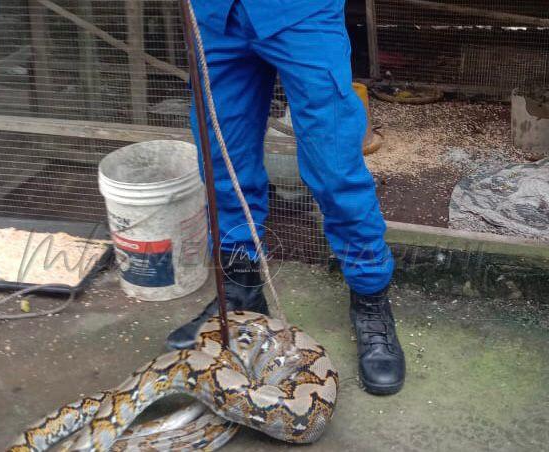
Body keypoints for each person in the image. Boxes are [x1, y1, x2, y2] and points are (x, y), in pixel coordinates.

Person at [166, 0, 405, 395]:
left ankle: (370, 299)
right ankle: (241, 291)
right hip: (216, 15)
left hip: (302, 12)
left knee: (335, 168)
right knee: (222, 160)